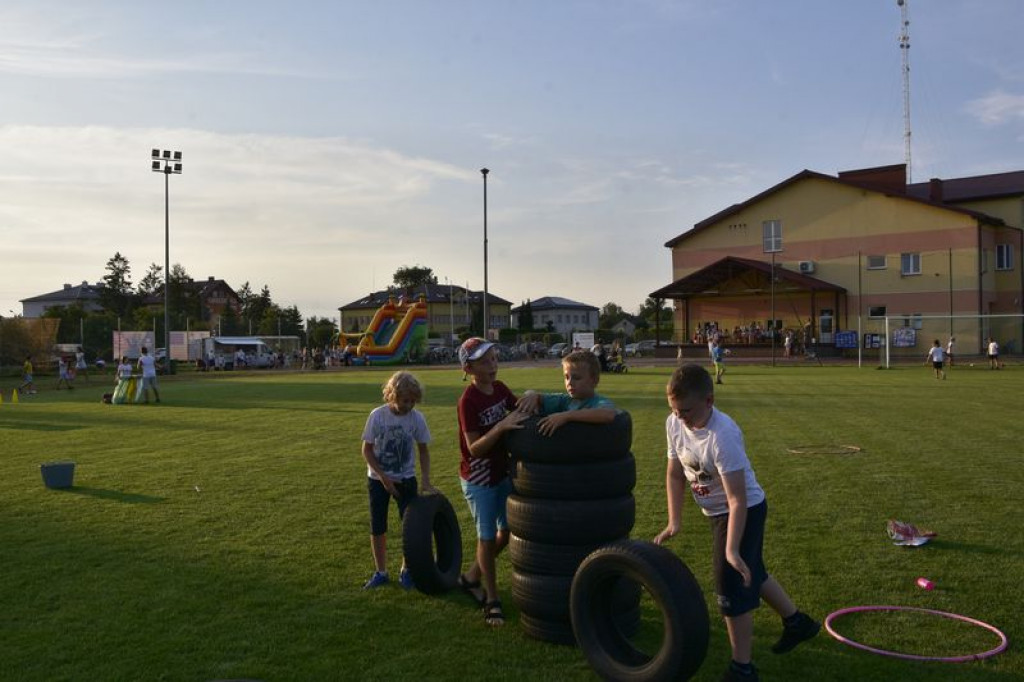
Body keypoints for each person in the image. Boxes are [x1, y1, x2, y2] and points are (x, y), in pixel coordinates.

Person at [655, 364, 819, 681]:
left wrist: (731, 549)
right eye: (674, 410)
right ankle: (798, 623)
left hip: (744, 510)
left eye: (686, 411)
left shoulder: (723, 435)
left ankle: (742, 669)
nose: (680, 418)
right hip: (716, 511)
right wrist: (674, 521)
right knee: (752, 571)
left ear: (709, 401)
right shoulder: (674, 423)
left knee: (730, 582)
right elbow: (675, 474)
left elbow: (737, 500)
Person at [456, 337, 530, 626]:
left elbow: (520, 410)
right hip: (479, 478)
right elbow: (474, 447)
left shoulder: (500, 389)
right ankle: (492, 599)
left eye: (494, 358)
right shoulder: (468, 401)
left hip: (502, 472)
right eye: (485, 361)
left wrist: (532, 395)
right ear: (469, 367)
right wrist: (500, 427)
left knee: (508, 531)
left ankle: (471, 576)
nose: (492, 364)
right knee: (486, 539)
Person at [360, 371, 437, 590]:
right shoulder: (377, 416)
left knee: (409, 527)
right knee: (378, 526)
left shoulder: (417, 419)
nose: (409, 405)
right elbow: (366, 450)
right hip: (378, 480)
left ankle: (406, 571)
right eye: (405, 400)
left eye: (413, 401)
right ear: (392, 395)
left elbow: (423, 451)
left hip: (406, 480)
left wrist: (425, 480)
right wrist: (383, 478)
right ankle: (381, 572)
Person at [519, 350, 617, 436]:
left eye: (576, 378)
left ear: (594, 381)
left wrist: (566, 416)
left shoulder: (599, 402)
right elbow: (533, 394)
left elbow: (608, 414)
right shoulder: (564, 400)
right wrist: (532, 395)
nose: (569, 382)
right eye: (566, 377)